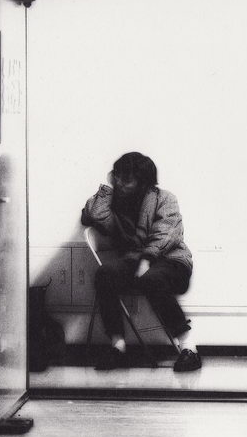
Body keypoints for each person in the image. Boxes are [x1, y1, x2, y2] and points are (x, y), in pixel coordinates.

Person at [81, 151, 201, 372]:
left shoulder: (165, 198)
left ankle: (189, 348)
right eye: (117, 176)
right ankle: (118, 347)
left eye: (126, 179)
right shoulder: (116, 202)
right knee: (105, 274)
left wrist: (146, 259)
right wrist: (108, 188)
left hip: (172, 261)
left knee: (152, 279)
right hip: (134, 261)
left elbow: (166, 234)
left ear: (143, 181)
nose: (120, 182)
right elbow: (93, 214)